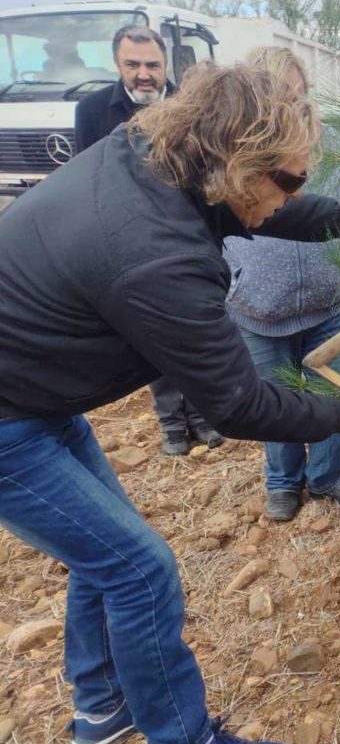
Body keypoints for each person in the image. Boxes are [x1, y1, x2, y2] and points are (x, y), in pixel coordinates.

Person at [0, 63, 340, 744]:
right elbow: (237, 404)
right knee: (139, 568)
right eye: (290, 178)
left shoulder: (159, 154)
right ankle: (186, 741)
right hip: (9, 417)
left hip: (33, 390)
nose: (297, 192)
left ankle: (102, 710)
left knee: (108, 556)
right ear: (241, 164)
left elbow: (278, 207)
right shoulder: (157, 256)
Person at [224, 46, 340, 521]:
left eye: (299, 96)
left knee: (332, 395)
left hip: (329, 302)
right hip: (256, 309)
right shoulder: (232, 153)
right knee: (275, 401)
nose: (292, 108)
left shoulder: (328, 143)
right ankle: (283, 483)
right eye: (280, 98)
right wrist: (230, 284)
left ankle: (328, 477)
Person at [74, 24, 223, 456]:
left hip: (183, 244)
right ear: (118, 63)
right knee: (150, 337)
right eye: (133, 64)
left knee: (191, 335)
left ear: (165, 67)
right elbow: (88, 179)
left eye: (152, 65)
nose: (144, 74)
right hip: (126, 250)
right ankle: (172, 425)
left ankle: (201, 416)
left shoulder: (190, 108)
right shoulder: (93, 110)